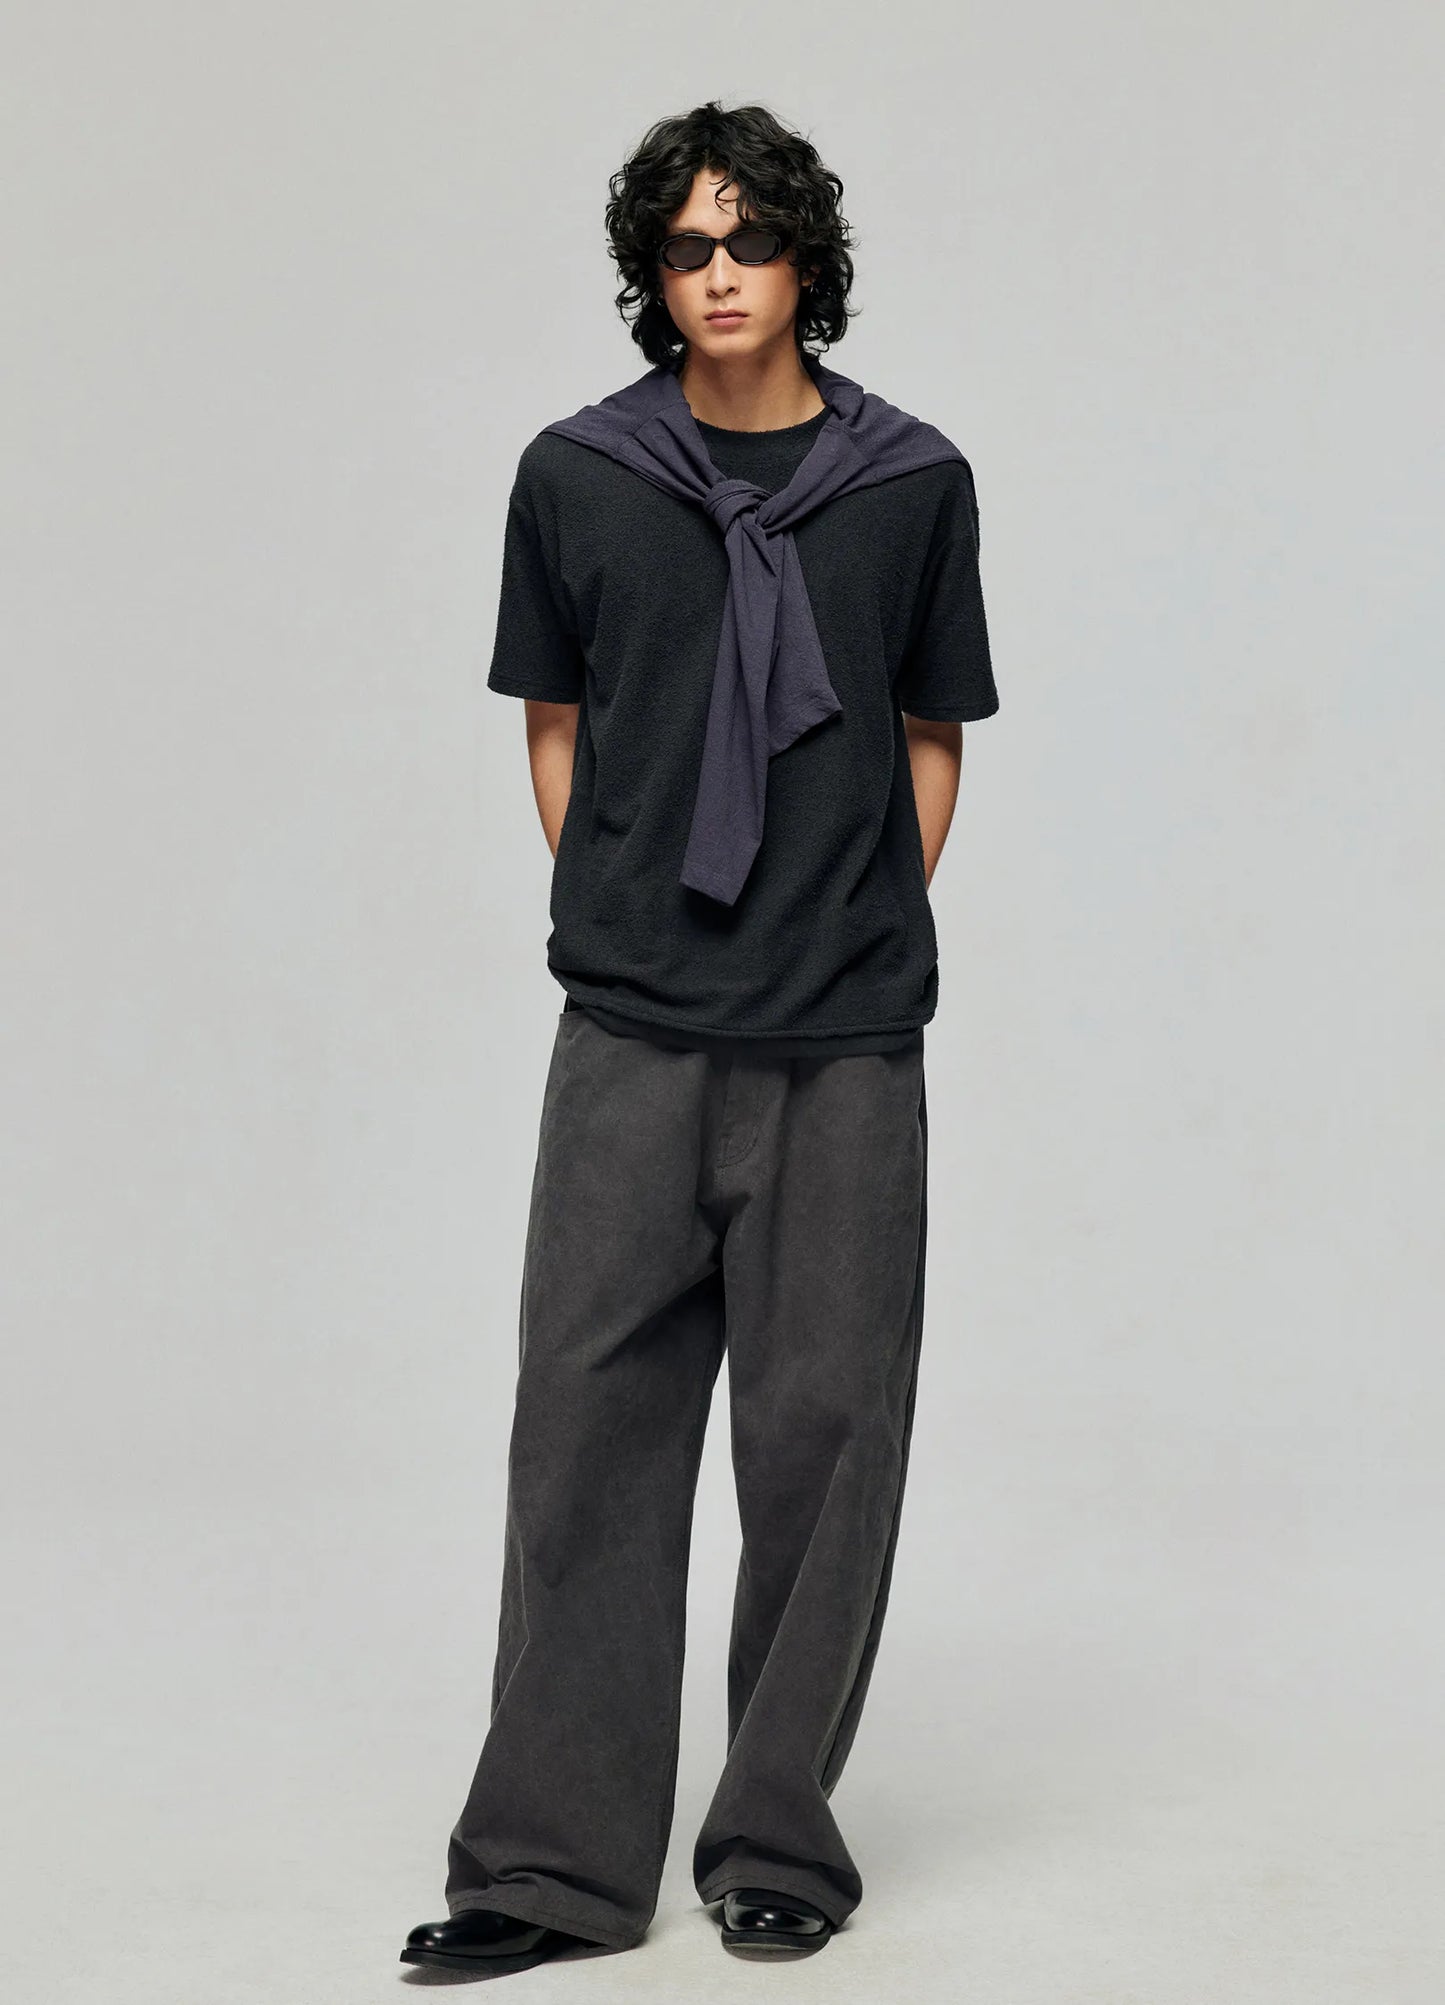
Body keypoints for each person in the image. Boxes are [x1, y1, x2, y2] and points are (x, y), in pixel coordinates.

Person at [401, 97, 998, 1977]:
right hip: (632, 1032)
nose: (718, 272)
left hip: (845, 1036)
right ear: (649, 278)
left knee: (827, 1437)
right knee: (585, 1432)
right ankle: (547, 1868)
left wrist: (848, 915)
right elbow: (556, 720)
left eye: (747, 239)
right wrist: (627, 908)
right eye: (683, 247)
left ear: (806, 258)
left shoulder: (910, 482)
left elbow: (928, 734)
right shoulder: (579, 476)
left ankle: (775, 1842)